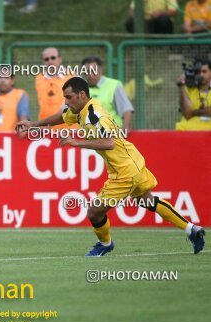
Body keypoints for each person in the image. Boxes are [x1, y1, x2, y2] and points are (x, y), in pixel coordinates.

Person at [16, 77, 205, 256]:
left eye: (69, 97)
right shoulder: (80, 110)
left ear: (82, 95)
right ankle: (192, 229)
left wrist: (77, 142)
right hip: (132, 160)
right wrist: (34, 124)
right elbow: (62, 117)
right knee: (147, 201)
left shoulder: (93, 116)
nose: (66, 102)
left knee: (94, 211)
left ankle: (105, 244)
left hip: (125, 171)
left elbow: (109, 143)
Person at [81, 56, 134, 133]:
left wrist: (126, 127)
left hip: (112, 135)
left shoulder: (114, 86)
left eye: (94, 70)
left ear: (101, 70)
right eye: (87, 71)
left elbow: (126, 109)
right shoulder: (79, 88)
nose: (91, 74)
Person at [34, 47, 72, 128]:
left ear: (60, 59)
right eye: (46, 59)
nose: (50, 61)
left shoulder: (73, 77)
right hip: (45, 130)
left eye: (53, 58)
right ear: (43, 62)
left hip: (68, 130)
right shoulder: (39, 78)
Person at [176, 59, 211, 130]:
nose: (201, 75)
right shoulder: (187, 88)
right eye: (198, 72)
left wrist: (193, 112)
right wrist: (181, 86)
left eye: (204, 71)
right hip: (188, 132)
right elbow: (187, 114)